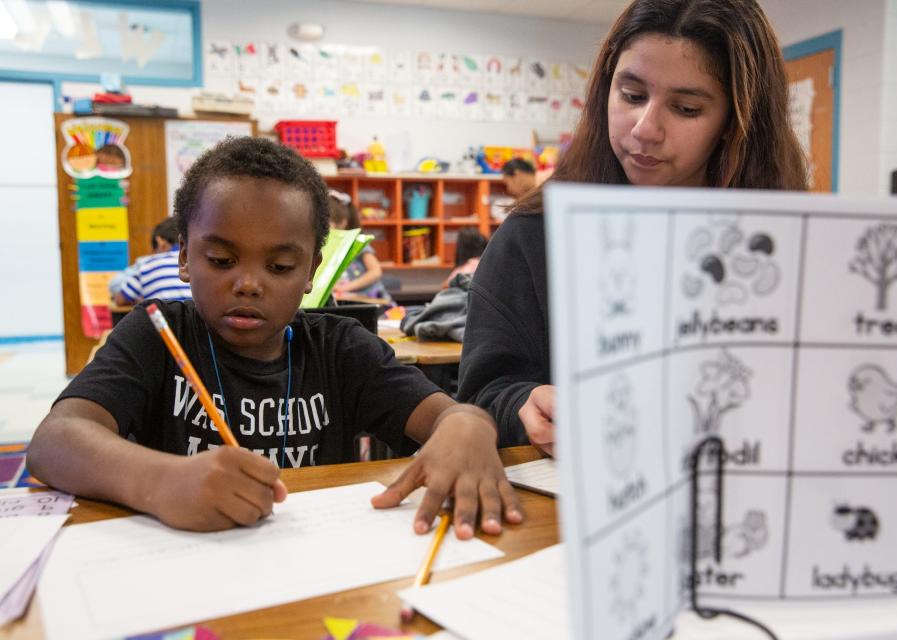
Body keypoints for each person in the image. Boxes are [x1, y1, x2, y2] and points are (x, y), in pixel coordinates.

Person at [27, 137, 522, 539]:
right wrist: (160, 481)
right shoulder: (157, 335)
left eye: (281, 266)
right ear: (183, 258)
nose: (248, 283)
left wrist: (469, 423)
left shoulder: (339, 349)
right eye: (221, 260)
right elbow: (54, 442)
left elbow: (452, 417)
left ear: (311, 271)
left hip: (310, 565)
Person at [457, 0, 807, 454]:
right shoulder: (533, 236)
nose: (644, 129)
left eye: (685, 108)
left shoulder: (779, 244)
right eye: (632, 95)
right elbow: (478, 399)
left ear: (736, 122)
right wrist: (523, 405)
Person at [329, 190, 395, 304]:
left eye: (326, 223)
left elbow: (375, 271)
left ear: (342, 223)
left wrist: (347, 287)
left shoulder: (357, 243)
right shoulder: (328, 247)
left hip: (372, 301)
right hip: (347, 302)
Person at [111, 217, 191, 305]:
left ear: (160, 242)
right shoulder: (195, 262)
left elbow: (120, 299)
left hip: (162, 318)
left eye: (154, 250)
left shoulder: (147, 265)